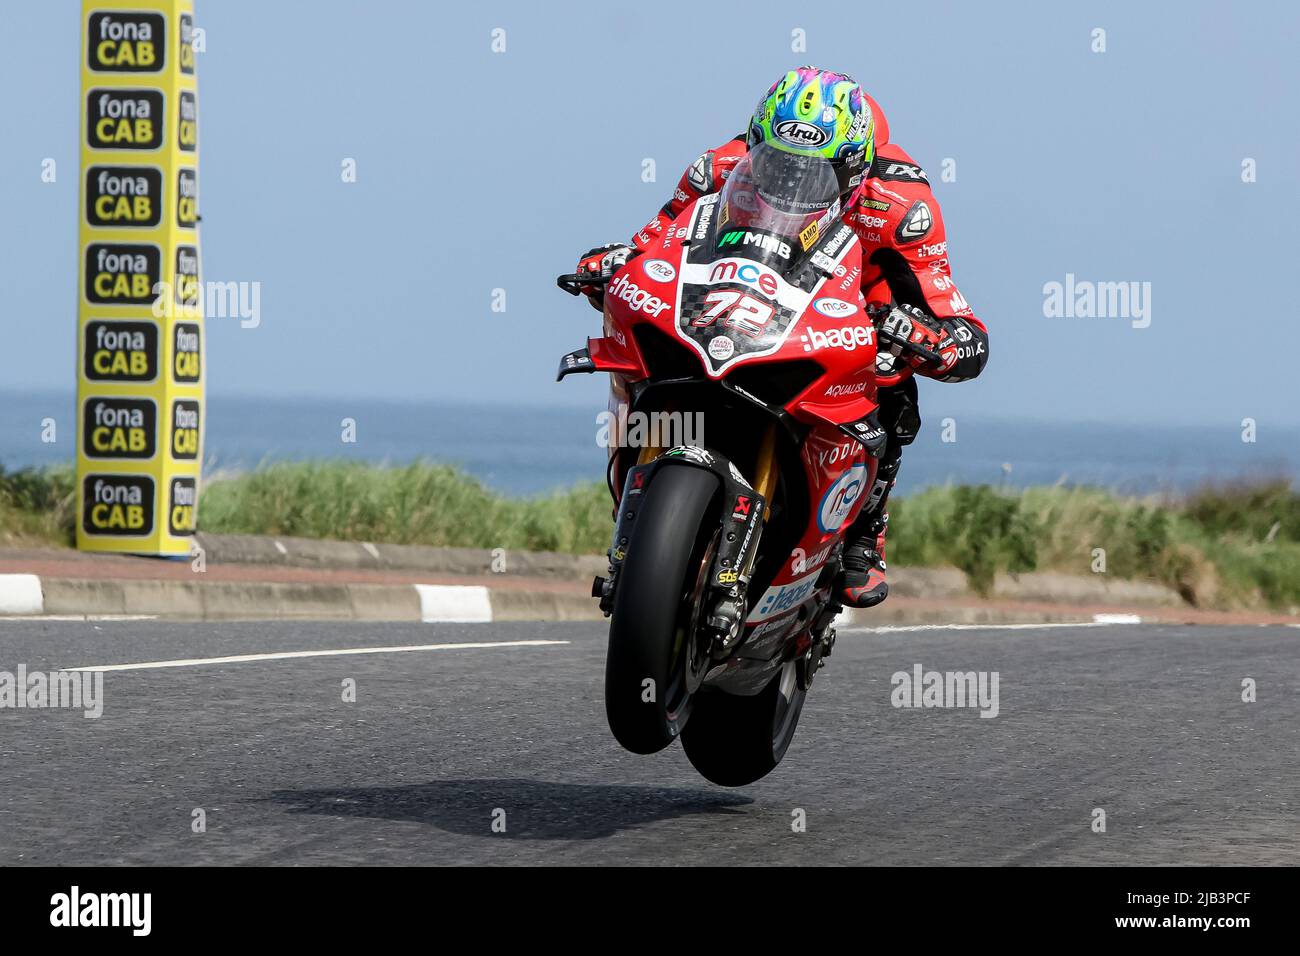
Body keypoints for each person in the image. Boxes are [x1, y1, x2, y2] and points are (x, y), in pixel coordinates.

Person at [576, 66, 989, 608]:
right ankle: (642, 507)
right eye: (775, 164)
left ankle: (863, 533)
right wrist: (613, 265)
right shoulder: (716, 169)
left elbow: (944, 306)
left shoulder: (898, 205)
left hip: (844, 303)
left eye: (817, 173)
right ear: (753, 144)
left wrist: (937, 337)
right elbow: (658, 241)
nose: (793, 185)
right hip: (736, 297)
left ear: (855, 169)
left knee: (892, 376)